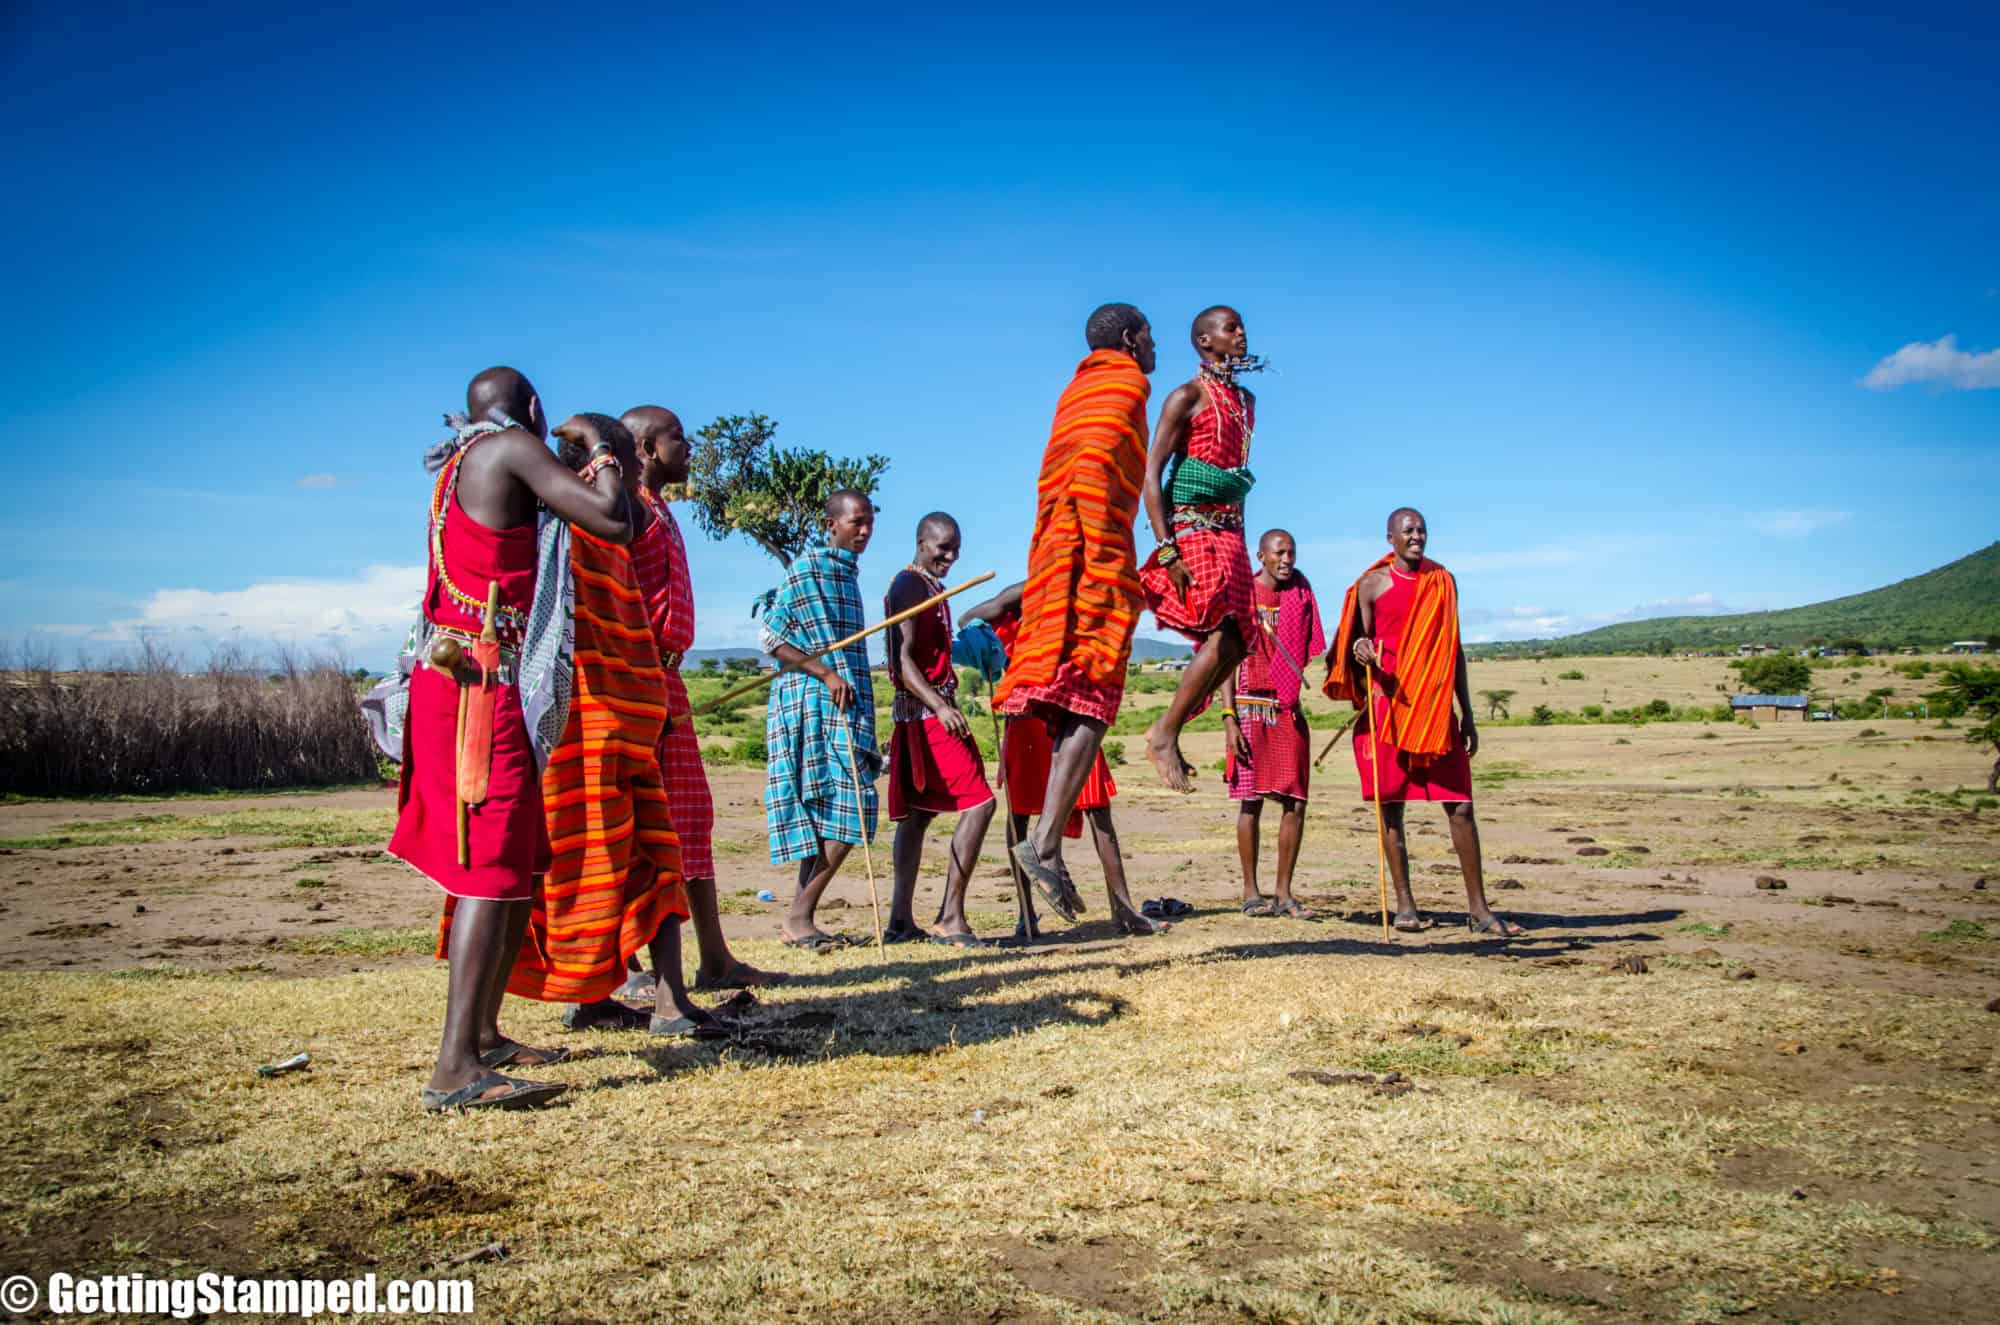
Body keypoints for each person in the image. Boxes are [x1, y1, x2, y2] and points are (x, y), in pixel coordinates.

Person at [387, 368, 631, 1112]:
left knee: (518, 862)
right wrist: (601, 449)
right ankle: (455, 1066)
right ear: (529, 409)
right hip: (479, 684)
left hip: (467, 674)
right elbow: (610, 519)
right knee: (489, 870)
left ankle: (486, 1035)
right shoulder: (511, 446)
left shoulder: (462, 459)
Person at [463, 413, 727, 1041]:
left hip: (634, 702)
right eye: (629, 467)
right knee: (597, 855)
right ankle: (605, 994)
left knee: (654, 846)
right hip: (590, 713)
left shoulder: (608, 517)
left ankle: (663, 997)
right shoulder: (583, 520)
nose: (633, 484)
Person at [994, 302, 1159, 922]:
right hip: (1093, 550)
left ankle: (1044, 846)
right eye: (1149, 337)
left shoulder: (1074, 390)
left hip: (1054, 553)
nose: (1154, 349)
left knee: (1069, 703)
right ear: (1128, 338)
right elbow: (1096, 470)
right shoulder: (1127, 381)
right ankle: (1041, 844)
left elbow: (1068, 469)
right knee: (1094, 694)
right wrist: (1109, 546)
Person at [616, 404, 785, 997]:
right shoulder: (625, 509)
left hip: (668, 680)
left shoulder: (658, 508)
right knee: (637, 826)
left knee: (690, 820)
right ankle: (624, 970)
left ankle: (714, 960)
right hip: (636, 681)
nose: (688, 448)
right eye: (677, 438)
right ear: (643, 447)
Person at [1324, 508, 1523, 937]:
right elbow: (1350, 642)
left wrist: (1467, 713)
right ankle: (1405, 907)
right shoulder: (1369, 585)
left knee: (1461, 805)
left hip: (1434, 709)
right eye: (1408, 530)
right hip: (1387, 709)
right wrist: (1360, 649)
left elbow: (1453, 649)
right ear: (1390, 538)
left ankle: (1479, 909)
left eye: (1421, 529)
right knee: (1391, 810)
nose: (1417, 536)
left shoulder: (1443, 582)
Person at [958, 580, 1159, 937]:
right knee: (1020, 816)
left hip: (1074, 717)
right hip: (1027, 715)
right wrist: (998, 643)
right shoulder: (1029, 589)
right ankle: (1026, 914)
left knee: (1098, 810)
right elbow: (967, 618)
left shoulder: (1090, 590)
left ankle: (1124, 909)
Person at [1137, 306, 1261, 793]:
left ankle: (1171, 729)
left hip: (1231, 533)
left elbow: (1236, 481)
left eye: (1241, 326)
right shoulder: (1186, 397)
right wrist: (1167, 550)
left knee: (1238, 642)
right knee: (1221, 633)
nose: (1242, 333)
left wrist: (1244, 543)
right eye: (1231, 328)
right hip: (1191, 530)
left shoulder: (1246, 401)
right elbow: (1152, 474)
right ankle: (1164, 732)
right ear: (1205, 342)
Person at [758, 490, 880, 950]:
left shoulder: (847, 575)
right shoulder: (807, 569)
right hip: (811, 701)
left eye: (869, 522)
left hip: (841, 703)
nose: (864, 531)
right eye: (856, 523)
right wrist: (826, 673)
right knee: (854, 808)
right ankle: (799, 916)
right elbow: (772, 637)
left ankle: (799, 918)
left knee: (834, 812)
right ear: (831, 524)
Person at [882, 513, 997, 945]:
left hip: (924, 711)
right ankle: (950, 917)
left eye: (956, 551)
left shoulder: (930, 586)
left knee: (917, 815)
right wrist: (940, 706)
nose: (949, 557)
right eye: (942, 549)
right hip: (927, 713)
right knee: (981, 803)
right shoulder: (909, 586)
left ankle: (899, 922)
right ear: (920, 542)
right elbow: (903, 660)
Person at [1224, 530, 1326, 920]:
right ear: (1261, 556)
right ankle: (1251, 892)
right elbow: (1225, 662)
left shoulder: (1300, 591)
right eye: (1279, 553)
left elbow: (1312, 646)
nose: (1287, 560)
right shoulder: (1243, 595)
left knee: (1295, 800)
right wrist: (1229, 718)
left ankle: (1283, 893)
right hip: (1249, 706)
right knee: (1250, 801)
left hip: (1286, 707)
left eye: (1292, 553)